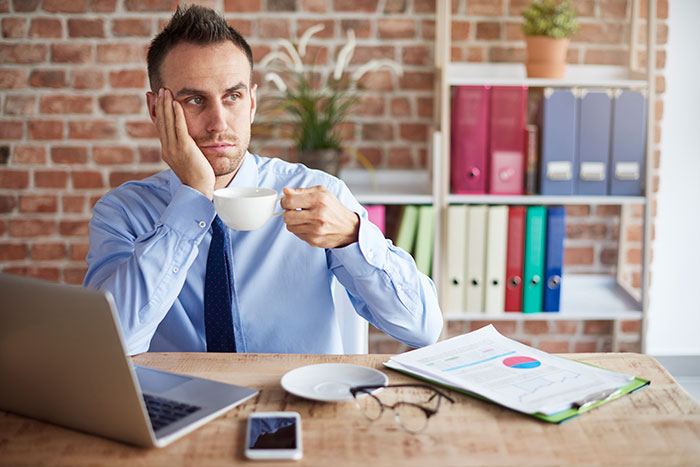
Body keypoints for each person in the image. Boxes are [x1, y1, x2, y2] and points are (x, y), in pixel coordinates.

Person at [83, 5, 442, 355]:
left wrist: (352, 236)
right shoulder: (122, 214)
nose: (219, 122)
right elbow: (109, 345)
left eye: (233, 97)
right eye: (194, 100)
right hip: (183, 409)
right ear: (155, 110)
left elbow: (422, 328)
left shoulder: (318, 194)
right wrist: (193, 193)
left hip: (299, 401)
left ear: (252, 103)